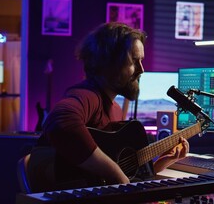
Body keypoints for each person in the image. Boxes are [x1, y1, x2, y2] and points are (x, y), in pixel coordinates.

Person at [32, 22, 189, 190]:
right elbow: (60, 121)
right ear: (109, 63)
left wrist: (162, 163)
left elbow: (112, 176)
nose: (142, 69)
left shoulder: (114, 109)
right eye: (134, 61)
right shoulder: (88, 96)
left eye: (141, 61)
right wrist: (114, 171)